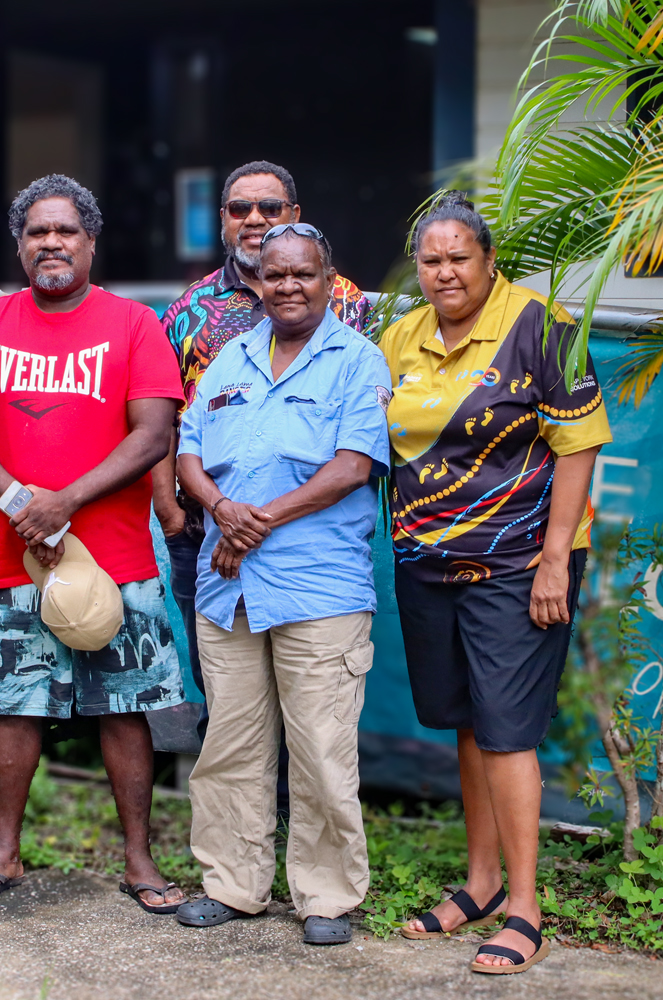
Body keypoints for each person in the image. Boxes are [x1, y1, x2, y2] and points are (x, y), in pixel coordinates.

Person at [0, 174, 189, 912]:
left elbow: (153, 432)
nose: (51, 243)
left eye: (65, 230)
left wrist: (66, 502)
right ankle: (5, 851)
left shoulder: (134, 324)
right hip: (10, 555)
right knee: (13, 707)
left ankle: (139, 861)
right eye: (37, 232)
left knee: (124, 708)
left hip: (113, 555)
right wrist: (21, 504)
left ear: (90, 241)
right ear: (20, 245)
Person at [380, 192, 612, 974]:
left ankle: (524, 908)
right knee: (468, 724)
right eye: (431, 260)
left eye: (459, 257)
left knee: (509, 731)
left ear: (488, 259)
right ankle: (479, 884)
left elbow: (578, 443)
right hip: (428, 564)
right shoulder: (401, 335)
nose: (444, 272)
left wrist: (555, 561)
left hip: (518, 568)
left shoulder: (538, 327)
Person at [173, 223, 391, 945]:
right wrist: (221, 510)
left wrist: (254, 521)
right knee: (230, 745)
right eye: (275, 276)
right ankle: (233, 886)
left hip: (317, 588)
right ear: (256, 282)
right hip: (226, 586)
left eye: (303, 275)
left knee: (323, 749)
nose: (288, 287)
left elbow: (352, 466)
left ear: (330, 279)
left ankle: (326, 898)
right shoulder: (230, 357)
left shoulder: (357, 360)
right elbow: (190, 454)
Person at [152, 160, 370, 726]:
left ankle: (294, 815)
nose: (254, 219)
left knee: (313, 710)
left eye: (269, 208)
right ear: (222, 221)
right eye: (240, 209)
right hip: (206, 533)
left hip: (310, 535)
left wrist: (256, 523)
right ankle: (246, 816)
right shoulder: (189, 312)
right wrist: (174, 513)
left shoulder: (349, 302)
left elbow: (366, 418)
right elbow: (166, 417)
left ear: (293, 216)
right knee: (229, 704)